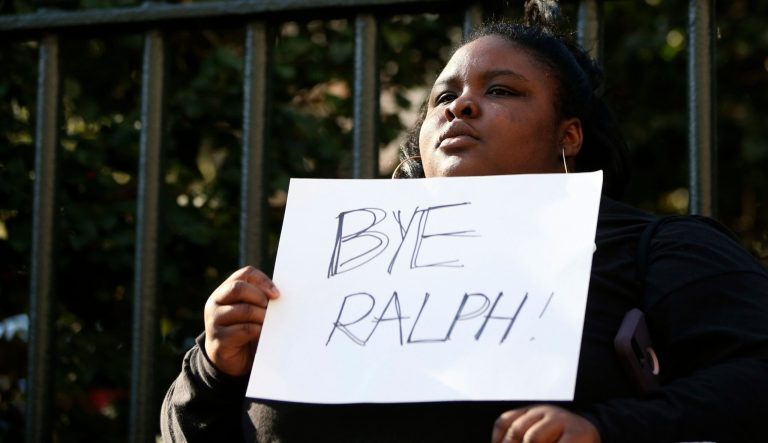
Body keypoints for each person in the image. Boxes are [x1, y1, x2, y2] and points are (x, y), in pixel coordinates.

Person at [161, 1, 768, 442]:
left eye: (502, 91)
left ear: (569, 135)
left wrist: (604, 429)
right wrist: (213, 369)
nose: (462, 105)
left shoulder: (658, 248)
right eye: (443, 97)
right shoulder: (324, 271)